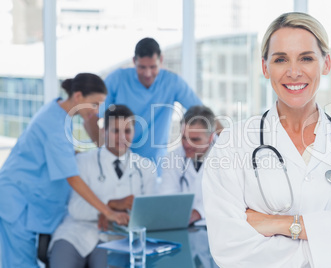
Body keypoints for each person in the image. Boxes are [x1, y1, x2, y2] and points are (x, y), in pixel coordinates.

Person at [202, 12, 331, 268]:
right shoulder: (233, 143)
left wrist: (279, 224)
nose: (294, 72)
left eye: (306, 58)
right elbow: (228, 246)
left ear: (326, 64)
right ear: (265, 67)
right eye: (281, 59)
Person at [0, 73, 129, 268]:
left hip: (26, 199)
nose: (96, 111)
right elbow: (73, 178)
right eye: (94, 104)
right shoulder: (55, 127)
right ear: (78, 97)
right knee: (20, 263)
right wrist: (108, 212)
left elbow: (61, 152)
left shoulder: (57, 111)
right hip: (18, 200)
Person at [48, 104, 157, 268]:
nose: (122, 137)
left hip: (118, 236)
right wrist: (111, 205)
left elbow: (149, 214)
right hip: (76, 231)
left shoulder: (146, 168)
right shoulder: (83, 162)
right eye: (115, 131)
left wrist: (117, 215)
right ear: (104, 131)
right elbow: (75, 209)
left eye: (127, 131)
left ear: (134, 133)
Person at [84, 37, 202, 173]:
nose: (147, 73)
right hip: (119, 166)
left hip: (156, 167)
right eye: (142, 67)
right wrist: (109, 154)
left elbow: (203, 114)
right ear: (134, 61)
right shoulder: (117, 79)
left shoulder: (172, 82)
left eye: (153, 67)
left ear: (161, 60)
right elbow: (90, 119)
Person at [157, 105, 216, 224]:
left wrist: (198, 212)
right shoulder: (173, 158)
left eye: (195, 140)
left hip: (216, 227)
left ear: (211, 138)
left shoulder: (226, 157)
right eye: (184, 138)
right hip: (181, 226)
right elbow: (166, 196)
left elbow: (226, 199)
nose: (187, 145)